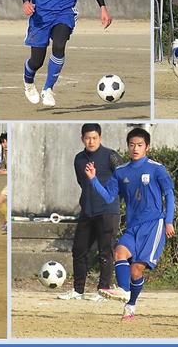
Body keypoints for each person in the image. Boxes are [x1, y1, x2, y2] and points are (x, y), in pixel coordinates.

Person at [85, 127, 175, 322]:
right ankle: (125, 291)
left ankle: (130, 305)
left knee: (136, 270)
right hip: (133, 226)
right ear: (128, 146)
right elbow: (109, 197)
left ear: (147, 147)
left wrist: (169, 221)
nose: (135, 148)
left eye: (139, 145)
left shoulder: (157, 169)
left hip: (153, 225)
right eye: (132, 145)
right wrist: (93, 180)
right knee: (119, 252)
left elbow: (169, 194)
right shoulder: (121, 171)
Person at [58, 123, 122, 301]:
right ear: (82, 139)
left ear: (100, 138)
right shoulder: (79, 159)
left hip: (108, 211)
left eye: (94, 138)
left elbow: (122, 180)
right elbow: (82, 182)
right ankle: (78, 290)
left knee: (105, 252)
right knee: (79, 250)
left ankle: (103, 290)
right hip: (87, 210)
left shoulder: (111, 156)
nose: (91, 141)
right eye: (87, 138)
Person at [0, 133, 8, 233]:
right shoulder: (6, 152)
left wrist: (5, 172)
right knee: (0, 201)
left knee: (0, 201)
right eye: (2, 142)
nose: (3, 144)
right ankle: (7, 222)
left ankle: (8, 221)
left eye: (5, 142)